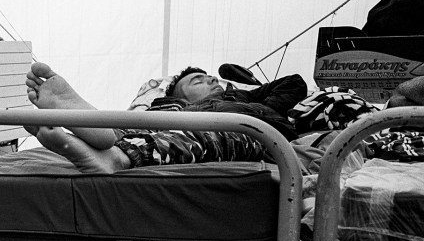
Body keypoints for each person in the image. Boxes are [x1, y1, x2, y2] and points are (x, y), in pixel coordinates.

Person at [24, 62, 305, 173]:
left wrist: (246, 95)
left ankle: (118, 158)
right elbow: (156, 113)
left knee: (207, 134)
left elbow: (294, 83)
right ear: (178, 93)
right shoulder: (165, 106)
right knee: (136, 123)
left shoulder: (241, 102)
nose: (210, 79)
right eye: (198, 80)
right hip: (169, 119)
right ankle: (101, 130)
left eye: (211, 78)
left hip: (245, 129)